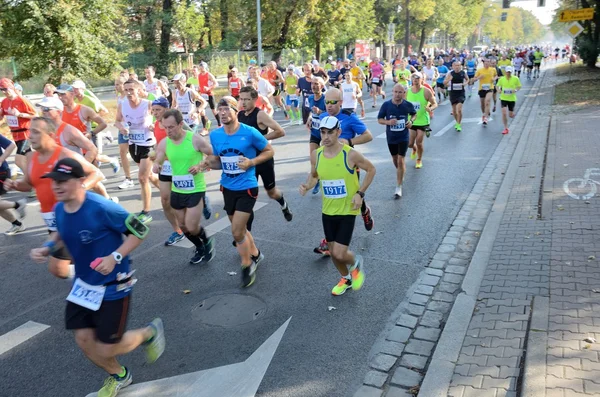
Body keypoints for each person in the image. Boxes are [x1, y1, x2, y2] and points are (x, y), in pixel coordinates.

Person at [29, 157, 165, 397]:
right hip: (84, 285)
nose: (57, 186)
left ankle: (148, 333)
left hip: (114, 284)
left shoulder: (102, 208)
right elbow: (61, 232)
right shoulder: (60, 207)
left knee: (106, 346)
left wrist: (115, 257)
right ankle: (120, 375)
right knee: (84, 340)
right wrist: (47, 247)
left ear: (81, 181)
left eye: (63, 181)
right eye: (54, 181)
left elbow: (141, 230)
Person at [4, 117, 105, 279]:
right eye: (30, 131)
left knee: (59, 268)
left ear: (50, 135)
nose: (30, 136)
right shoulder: (31, 158)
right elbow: (29, 184)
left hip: (72, 219)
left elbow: (96, 173)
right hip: (53, 221)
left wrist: (79, 190)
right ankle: (95, 280)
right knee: (69, 265)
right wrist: (15, 184)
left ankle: (99, 282)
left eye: (36, 132)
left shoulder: (64, 155)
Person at [202, 97, 274, 287]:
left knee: (236, 231)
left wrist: (251, 162)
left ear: (236, 110)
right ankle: (257, 254)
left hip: (247, 187)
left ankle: (247, 264)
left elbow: (268, 151)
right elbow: (218, 160)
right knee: (239, 228)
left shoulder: (249, 132)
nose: (222, 113)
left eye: (226, 109)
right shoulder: (215, 135)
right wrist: (208, 163)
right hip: (227, 187)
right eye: (220, 109)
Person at [299, 116, 374, 295]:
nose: (325, 137)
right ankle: (346, 278)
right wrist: (307, 186)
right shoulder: (316, 155)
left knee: (340, 253)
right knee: (332, 253)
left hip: (348, 209)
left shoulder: (350, 154)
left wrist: (360, 193)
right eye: (322, 132)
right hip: (328, 210)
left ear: (338, 132)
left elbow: (371, 169)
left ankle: (356, 261)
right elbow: (315, 175)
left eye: (330, 132)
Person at [153, 109, 216, 263]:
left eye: (171, 127)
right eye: (165, 127)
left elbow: (212, 154)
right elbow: (159, 158)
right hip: (177, 189)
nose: (168, 130)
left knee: (192, 226)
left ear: (181, 124)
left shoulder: (194, 139)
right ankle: (199, 247)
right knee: (183, 225)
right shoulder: (164, 142)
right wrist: (156, 165)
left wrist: (201, 165)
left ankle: (207, 241)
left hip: (196, 188)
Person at [238, 86, 292, 222]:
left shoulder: (260, 114)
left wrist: (260, 140)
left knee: (271, 192)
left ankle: (283, 203)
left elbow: (280, 131)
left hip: (263, 160)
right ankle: (244, 232)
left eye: (247, 99)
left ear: (255, 99)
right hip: (248, 162)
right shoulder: (239, 115)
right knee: (247, 197)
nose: (243, 102)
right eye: (241, 99)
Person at [115, 79, 158, 223]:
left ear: (139, 90)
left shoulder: (148, 104)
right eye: (126, 90)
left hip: (148, 144)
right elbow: (117, 120)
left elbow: (161, 117)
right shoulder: (122, 105)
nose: (128, 93)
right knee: (150, 176)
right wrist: (122, 128)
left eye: (131, 90)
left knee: (142, 178)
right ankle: (169, 193)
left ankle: (146, 211)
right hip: (133, 144)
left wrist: (153, 125)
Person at [56, 84, 120, 174]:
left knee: (91, 175)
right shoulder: (59, 112)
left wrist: (91, 133)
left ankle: (111, 161)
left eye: (63, 94)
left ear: (72, 94)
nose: (60, 98)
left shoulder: (84, 110)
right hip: (70, 149)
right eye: (59, 95)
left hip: (86, 149)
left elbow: (103, 124)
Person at [148, 98, 185, 246]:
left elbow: (192, 139)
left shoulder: (176, 122)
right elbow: (160, 144)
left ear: (166, 109)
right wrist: (156, 154)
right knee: (165, 200)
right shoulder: (157, 125)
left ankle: (202, 200)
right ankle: (177, 230)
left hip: (181, 165)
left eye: (158, 109)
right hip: (166, 166)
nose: (155, 113)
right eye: (153, 110)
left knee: (184, 197)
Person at [377, 84, 416, 199]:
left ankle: (398, 186)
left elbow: (414, 114)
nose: (398, 94)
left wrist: (411, 122)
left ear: (404, 93)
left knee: (400, 160)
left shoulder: (407, 105)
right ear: (392, 92)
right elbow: (379, 120)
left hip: (403, 136)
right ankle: (401, 171)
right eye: (396, 92)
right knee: (395, 159)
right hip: (391, 137)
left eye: (400, 92)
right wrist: (388, 122)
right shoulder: (386, 105)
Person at [0, 78, 36, 175]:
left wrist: (20, 114)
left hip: (26, 133)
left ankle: (30, 179)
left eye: (6, 89)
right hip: (15, 135)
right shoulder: (4, 102)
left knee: (18, 160)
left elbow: (36, 115)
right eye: (2, 90)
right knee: (29, 157)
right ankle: (39, 172)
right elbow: (1, 117)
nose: (4, 92)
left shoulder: (22, 101)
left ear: (12, 87)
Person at [406, 73, 437, 169]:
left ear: (422, 79)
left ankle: (419, 159)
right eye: (413, 78)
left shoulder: (426, 91)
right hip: (411, 121)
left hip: (423, 120)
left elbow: (435, 103)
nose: (415, 79)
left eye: (417, 78)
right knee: (410, 144)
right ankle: (414, 149)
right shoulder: (407, 92)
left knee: (419, 141)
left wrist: (430, 109)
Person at [0, 134, 26, 235]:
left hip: (1, 172)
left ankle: (18, 205)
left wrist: (1, 159)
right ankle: (17, 224)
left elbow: (11, 145)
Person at [495, 66, 521, 135]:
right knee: (504, 113)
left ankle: (512, 114)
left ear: (511, 72)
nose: (508, 73)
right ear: (505, 72)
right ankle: (506, 128)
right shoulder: (502, 79)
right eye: (507, 72)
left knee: (510, 115)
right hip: (503, 98)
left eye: (509, 72)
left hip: (512, 99)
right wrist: (499, 90)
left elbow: (519, 86)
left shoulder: (515, 78)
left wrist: (515, 90)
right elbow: (497, 86)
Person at [443, 61, 469, 131]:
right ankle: (457, 122)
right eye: (456, 65)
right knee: (454, 111)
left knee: (459, 109)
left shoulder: (463, 73)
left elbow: (467, 79)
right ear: (453, 66)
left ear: (460, 66)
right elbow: (444, 83)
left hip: (461, 93)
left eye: (459, 65)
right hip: (453, 93)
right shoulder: (450, 73)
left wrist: (465, 83)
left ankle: (459, 124)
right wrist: (449, 80)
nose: (457, 67)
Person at [471, 59, 497, 125]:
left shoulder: (493, 69)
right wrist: (479, 77)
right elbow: (473, 80)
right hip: (482, 89)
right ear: (483, 63)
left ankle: (485, 117)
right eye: (486, 62)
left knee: (487, 101)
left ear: (490, 63)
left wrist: (494, 79)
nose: (487, 63)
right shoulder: (479, 70)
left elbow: (496, 75)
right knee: (482, 104)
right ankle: (484, 113)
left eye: (488, 62)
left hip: (490, 88)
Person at [197, 62, 220, 127]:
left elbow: (216, 84)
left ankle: (219, 124)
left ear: (205, 67)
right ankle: (204, 127)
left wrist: (208, 88)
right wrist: (199, 89)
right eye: (200, 67)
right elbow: (201, 84)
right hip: (202, 95)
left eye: (202, 67)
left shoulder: (209, 74)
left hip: (209, 94)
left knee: (214, 110)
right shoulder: (199, 75)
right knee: (201, 110)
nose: (201, 68)